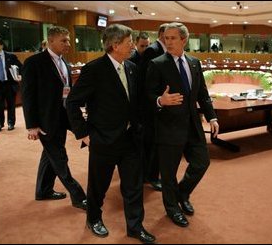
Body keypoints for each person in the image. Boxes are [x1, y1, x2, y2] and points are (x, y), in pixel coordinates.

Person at [65, 24, 155, 243]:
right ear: (115, 45)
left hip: (131, 139)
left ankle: (135, 226)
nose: (133, 45)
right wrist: (83, 134)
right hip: (103, 140)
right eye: (129, 41)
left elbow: (136, 103)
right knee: (98, 187)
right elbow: (72, 102)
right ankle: (93, 218)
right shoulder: (94, 69)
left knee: (133, 187)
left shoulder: (132, 67)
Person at [145, 22, 219, 227]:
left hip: (193, 125)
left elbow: (202, 94)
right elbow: (146, 96)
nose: (168, 42)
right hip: (168, 127)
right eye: (166, 38)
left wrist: (212, 117)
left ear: (184, 40)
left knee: (202, 162)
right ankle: (172, 209)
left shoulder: (195, 63)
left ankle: (182, 193)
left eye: (172, 38)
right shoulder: (157, 63)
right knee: (168, 174)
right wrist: (161, 100)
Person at [21, 26, 87, 211]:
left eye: (68, 40)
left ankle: (43, 190)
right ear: (50, 41)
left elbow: (66, 91)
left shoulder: (64, 63)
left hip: (62, 117)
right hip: (45, 121)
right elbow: (27, 96)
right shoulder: (34, 62)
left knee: (49, 155)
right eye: (63, 41)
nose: (68, 44)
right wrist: (31, 125)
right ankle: (78, 195)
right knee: (59, 157)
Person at [139, 23, 169, 192]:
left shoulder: (164, 50)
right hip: (152, 105)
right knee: (152, 143)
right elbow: (146, 80)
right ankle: (150, 176)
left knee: (154, 142)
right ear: (161, 34)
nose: (171, 38)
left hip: (160, 103)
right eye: (169, 35)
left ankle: (148, 174)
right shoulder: (152, 50)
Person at [0, 37, 22, 132]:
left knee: (11, 105)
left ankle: (11, 123)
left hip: (10, 84)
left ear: (1, 45)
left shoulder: (11, 56)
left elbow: (20, 67)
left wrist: (20, 75)